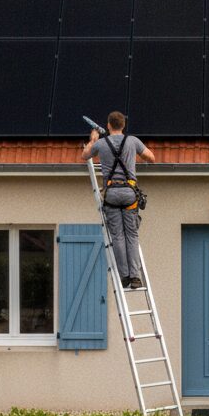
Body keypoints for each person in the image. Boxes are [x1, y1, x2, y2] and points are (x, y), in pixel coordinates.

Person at [81, 111, 155, 289]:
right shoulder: (132, 141)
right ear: (123, 125)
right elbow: (151, 158)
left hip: (112, 194)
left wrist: (93, 139)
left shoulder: (101, 143)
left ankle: (124, 277)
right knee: (132, 234)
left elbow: (85, 156)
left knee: (117, 236)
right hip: (129, 193)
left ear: (108, 125)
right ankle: (135, 277)